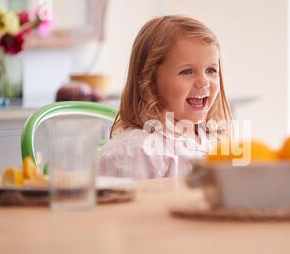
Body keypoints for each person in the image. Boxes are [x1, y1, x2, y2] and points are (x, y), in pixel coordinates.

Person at [99, 15, 232, 179]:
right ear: (149, 80)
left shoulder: (212, 141)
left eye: (211, 70)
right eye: (187, 71)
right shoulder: (137, 151)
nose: (203, 82)